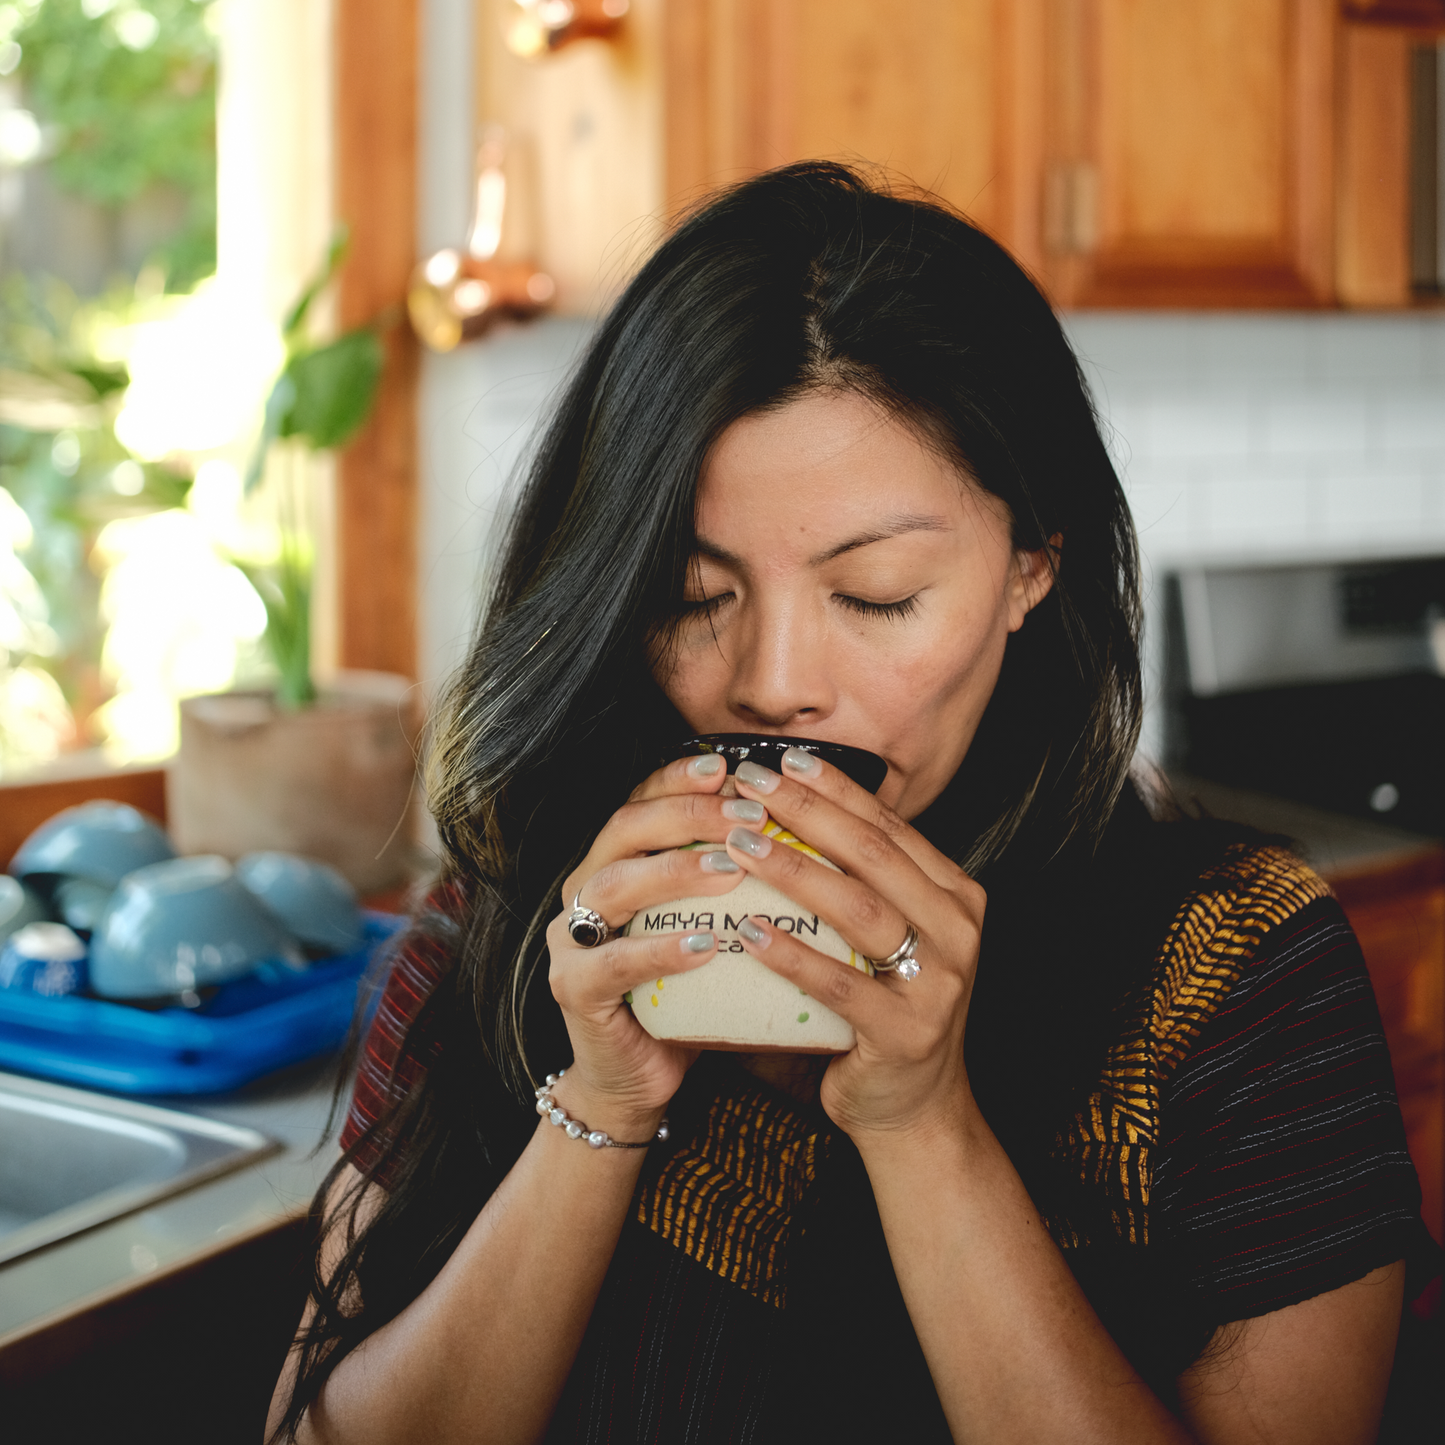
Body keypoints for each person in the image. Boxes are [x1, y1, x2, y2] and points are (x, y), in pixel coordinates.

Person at [267, 163, 1438, 1444]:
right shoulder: (509, 917)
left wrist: (922, 1122)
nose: (771, 685)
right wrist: (597, 1107)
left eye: (874, 594)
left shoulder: (1239, 970)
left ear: (1028, 567)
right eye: (691, 592)